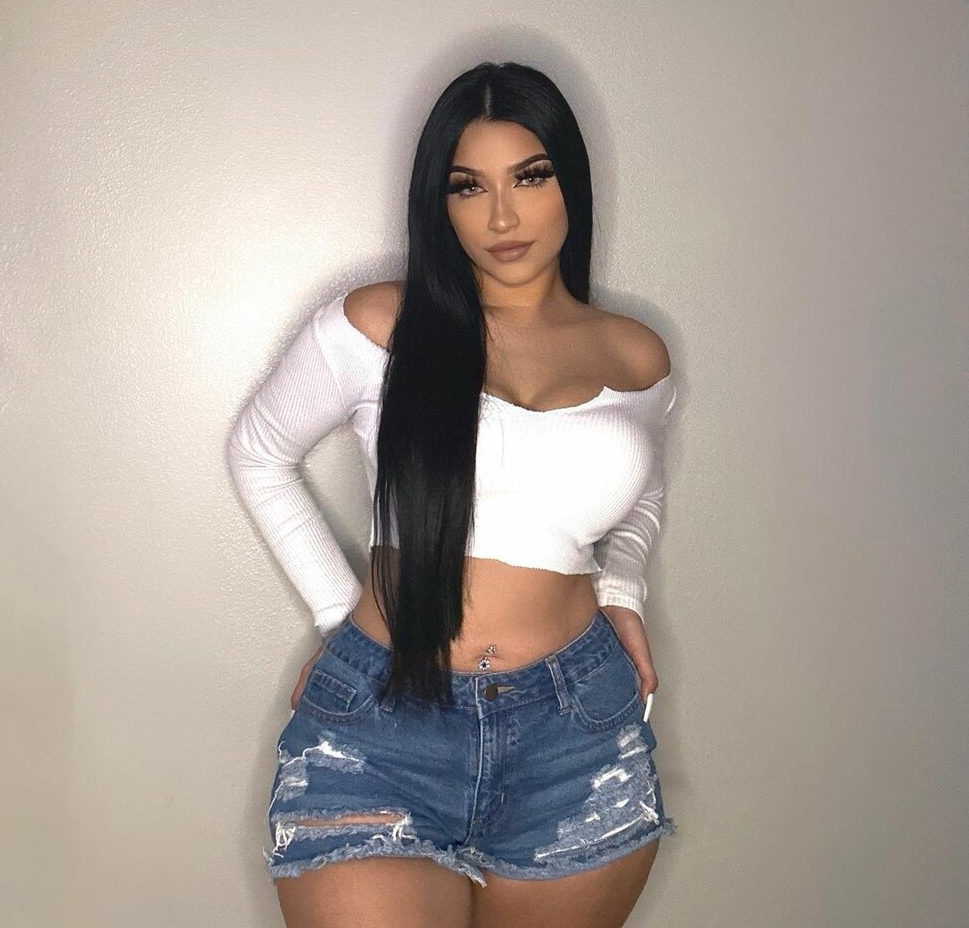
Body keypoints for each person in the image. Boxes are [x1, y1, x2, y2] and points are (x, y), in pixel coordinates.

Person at [226, 61, 680, 928]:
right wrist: (340, 621)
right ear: (439, 202)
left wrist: (621, 593)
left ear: (570, 183)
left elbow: (640, 497)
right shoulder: (376, 325)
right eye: (468, 186)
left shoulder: (634, 355)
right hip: (381, 727)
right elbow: (258, 453)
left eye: (529, 177)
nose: (501, 217)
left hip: (576, 733)